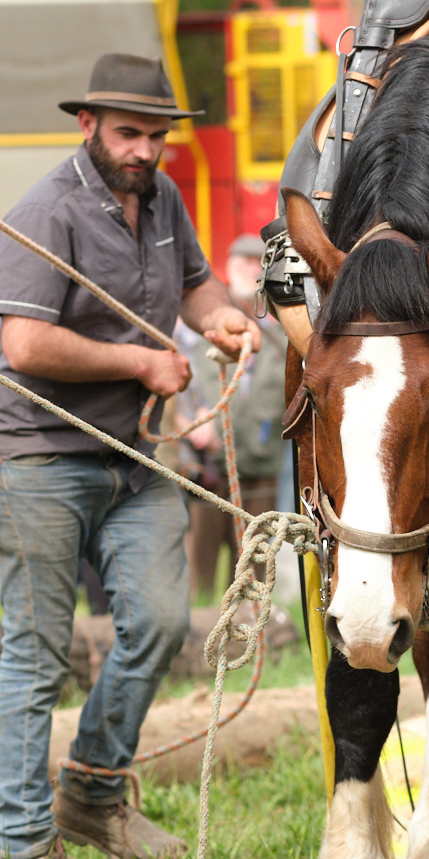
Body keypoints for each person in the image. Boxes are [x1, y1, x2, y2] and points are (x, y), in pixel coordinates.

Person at [0, 53, 258, 859]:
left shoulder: (164, 200)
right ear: (87, 125)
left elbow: (196, 288)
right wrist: (139, 365)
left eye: (157, 136)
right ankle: (19, 852)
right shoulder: (44, 210)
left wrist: (222, 322)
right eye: (129, 133)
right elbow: (23, 346)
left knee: (166, 619)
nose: (144, 150)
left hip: (133, 460)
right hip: (36, 462)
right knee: (39, 654)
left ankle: (94, 792)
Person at [179, 233, 287, 599]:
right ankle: (200, 629)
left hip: (261, 461)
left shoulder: (282, 326)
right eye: (241, 262)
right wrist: (192, 418)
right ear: (227, 267)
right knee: (201, 564)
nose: (248, 270)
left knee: (254, 563)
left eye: (255, 263)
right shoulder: (198, 324)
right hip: (210, 463)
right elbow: (174, 382)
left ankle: (250, 632)